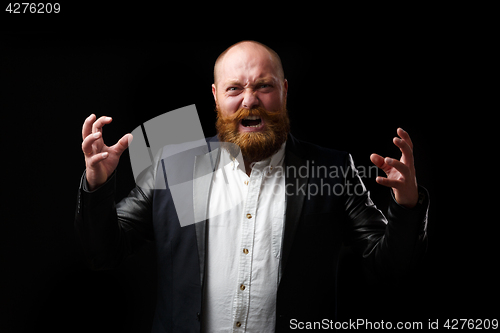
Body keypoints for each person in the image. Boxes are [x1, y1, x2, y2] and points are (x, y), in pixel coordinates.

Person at [75, 41, 429, 332]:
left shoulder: (332, 169)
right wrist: (97, 183)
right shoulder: (175, 166)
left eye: (264, 85)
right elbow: (103, 252)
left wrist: (407, 204)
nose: (250, 100)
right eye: (234, 88)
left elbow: (389, 267)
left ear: (284, 91)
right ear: (215, 96)